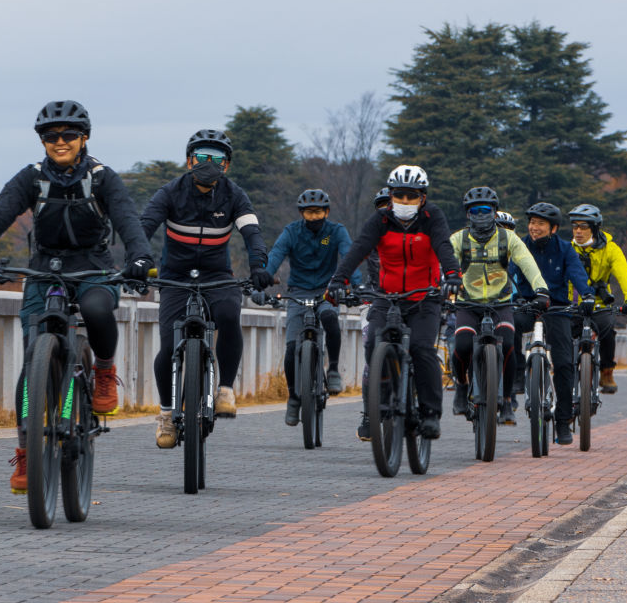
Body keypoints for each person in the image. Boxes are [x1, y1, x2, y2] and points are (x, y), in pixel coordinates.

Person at [0, 100, 155, 493]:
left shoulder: (102, 178)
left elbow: (127, 219)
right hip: (44, 269)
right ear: (42, 141)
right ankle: (27, 451)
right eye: (51, 136)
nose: (60, 142)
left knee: (99, 310)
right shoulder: (31, 178)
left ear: (84, 138)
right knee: (33, 357)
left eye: (68, 135)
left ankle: (102, 371)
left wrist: (140, 256)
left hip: (93, 267)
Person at [140, 129, 273, 447]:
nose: (208, 163)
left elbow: (252, 233)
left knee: (228, 315)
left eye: (216, 158)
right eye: (201, 156)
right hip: (176, 277)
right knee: (168, 347)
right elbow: (144, 225)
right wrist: (137, 260)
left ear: (226, 166)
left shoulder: (235, 195)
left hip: (217, 275)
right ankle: (167, 413)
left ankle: (225, 389)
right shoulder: (170, 192)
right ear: (189, 160)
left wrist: (259, 267)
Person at [327, 164, 461, 441]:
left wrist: (452, 276)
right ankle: (385, 400)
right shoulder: (381, 220)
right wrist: (338, 280)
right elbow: (358, 249)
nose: (404, 202)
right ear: (390, 196)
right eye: (399, 196)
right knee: (374, 344)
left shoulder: (432, 217)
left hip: (425, 298)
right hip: (387, 298)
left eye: (411, 196)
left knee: (423, 350)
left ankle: (430, 414)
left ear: (422, 197)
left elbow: (443, 247)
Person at [448, 187, 549, 428]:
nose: (481, 215)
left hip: (501, 302)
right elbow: (444, 264)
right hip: (467, 302)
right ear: (468, 214)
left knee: (507, 343)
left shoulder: (507, 238)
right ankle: (462, 388)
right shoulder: (458, 239)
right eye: (476, 210)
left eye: (486, 210)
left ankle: (505, 400)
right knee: (462, 344)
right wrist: (441, 286)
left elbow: (527, 263)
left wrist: (541, 289)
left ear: (495, 212)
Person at [265, 189, 360, 425]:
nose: (314, 217)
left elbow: (349, 256)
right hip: (298, 292)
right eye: (309, 212)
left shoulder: (335, 232)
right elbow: (276, 255)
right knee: (290, 348)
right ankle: (293, 397)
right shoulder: (292, 232)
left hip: (327, 290)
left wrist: (356, 285)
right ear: (301, 213)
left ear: (326, 212)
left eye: (318, 212)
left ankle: (334, 369)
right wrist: (263, 278)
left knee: (329, 318)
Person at [510, 202, 594, 445]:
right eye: (532, 222)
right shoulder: (520, 245)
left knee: (565, 363)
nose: (534, 228)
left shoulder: (565, 249)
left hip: (557, 308)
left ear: (553, 228)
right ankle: (516, 377)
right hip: (526, 304)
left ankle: (563, 421)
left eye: (540, 224)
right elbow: (511, 272)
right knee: (510, 325)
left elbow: (577, 273)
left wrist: (586, 295)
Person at [567, 203, 627, 395]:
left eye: (583, 227)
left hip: (600, 304)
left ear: (595, 228)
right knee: (563, 335)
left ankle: (607, 372)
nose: (578, 231)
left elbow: (624, 275)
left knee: (608, 331)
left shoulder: (611, 250)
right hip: (573, 304)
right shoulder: (567, 249)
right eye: (575, 227)